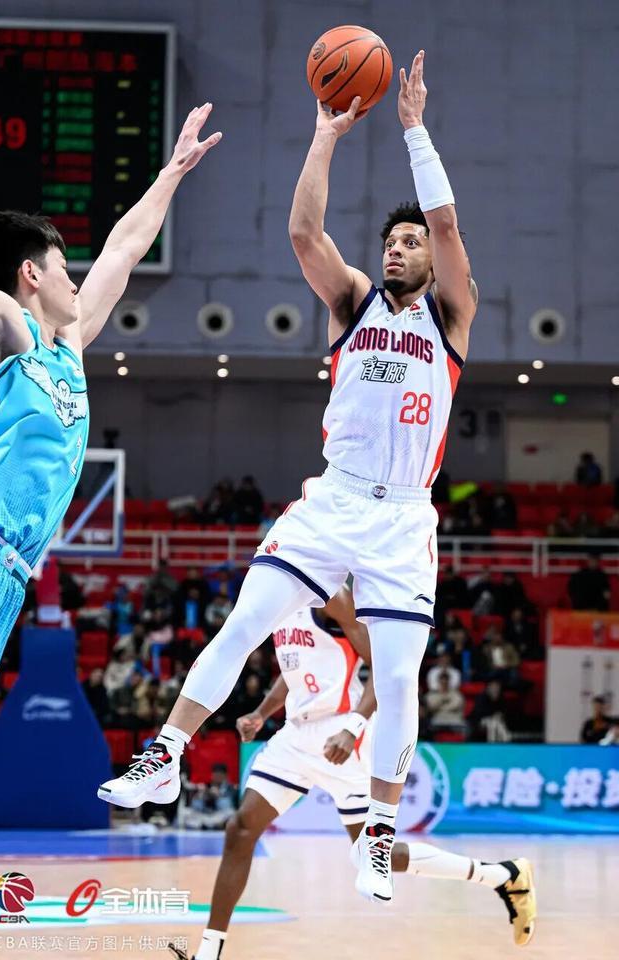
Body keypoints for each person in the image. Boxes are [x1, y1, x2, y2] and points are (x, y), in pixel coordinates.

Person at [100, 49, 482, 906]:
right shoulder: (354, 303)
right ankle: (166, 754)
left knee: (397, 678)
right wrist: (324, 135)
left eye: (410, 242)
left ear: (431, 258)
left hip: (403, 519)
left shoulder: (451, 319)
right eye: (391, 241)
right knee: (247, 619)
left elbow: (451, 228)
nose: (399, 249)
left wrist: (414, 131)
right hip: (334, 498)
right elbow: (305, 235)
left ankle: (377, 834)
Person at [0, 103, 221, 715]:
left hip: (8, 577)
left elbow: (124, 249)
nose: (74, 281)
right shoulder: (4, 324)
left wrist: (172, 173)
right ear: (30, 273)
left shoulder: (68, 348)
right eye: (64, 269)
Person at [172, 588, 534, 960]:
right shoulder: (281, 596)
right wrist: (262, 713)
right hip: (296, 734)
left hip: (342, 731)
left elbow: (384, 669)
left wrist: (354, 727)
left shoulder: (332, 596)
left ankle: (501, 875)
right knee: (241, 829)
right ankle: (209, 952)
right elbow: (296, 668)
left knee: (373, 854)